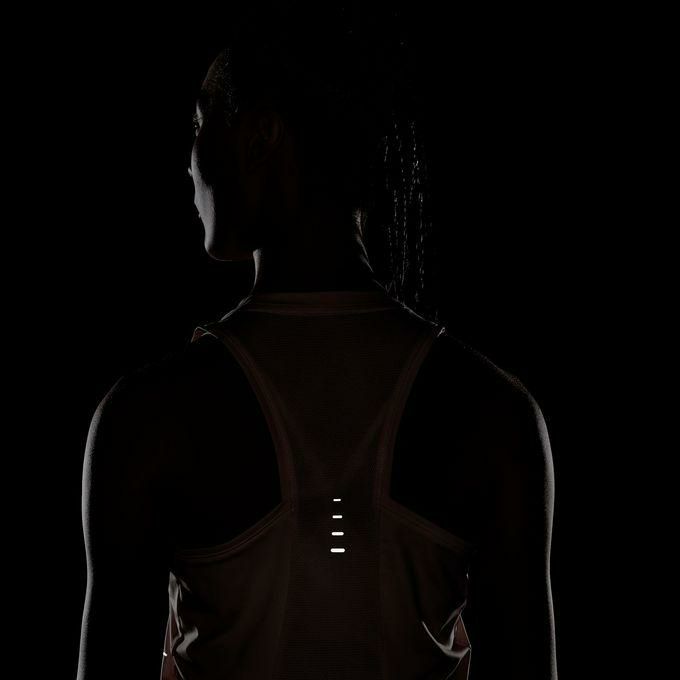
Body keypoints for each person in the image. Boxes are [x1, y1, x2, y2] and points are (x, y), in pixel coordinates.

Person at [77, 4, 557, 679]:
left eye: (200, 124)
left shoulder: (148, 419)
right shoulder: (496, 416)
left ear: (259, 137)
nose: (188, 164)